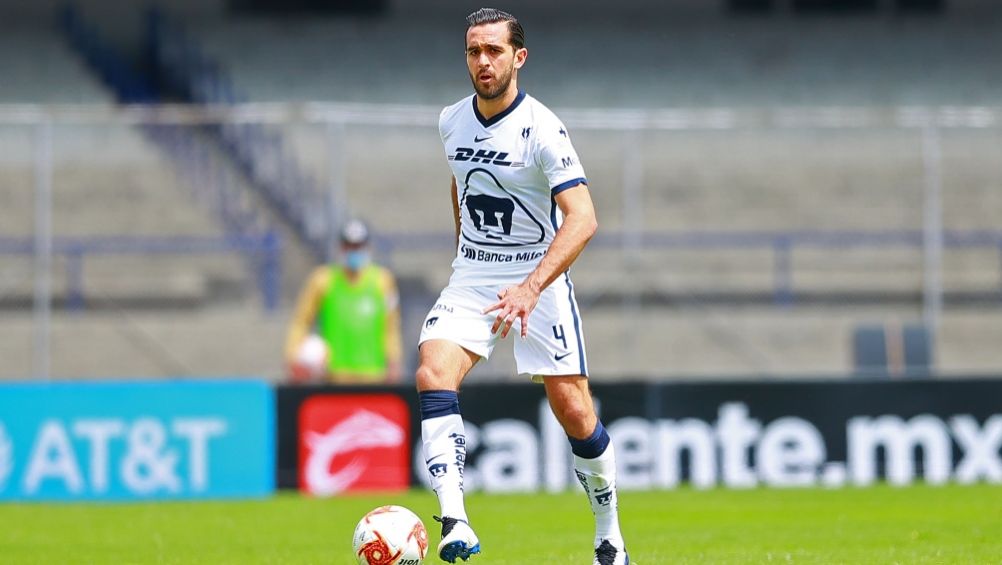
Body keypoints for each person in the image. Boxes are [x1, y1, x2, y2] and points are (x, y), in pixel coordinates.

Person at [416, 8, 628, 565]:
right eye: (473, 52)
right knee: (431, 371)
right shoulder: (450, 120)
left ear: (518, 57)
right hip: (475, 275)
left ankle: (609, 535)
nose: (482, 62)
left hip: (540, 277)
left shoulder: (543, 127)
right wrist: (466, 250)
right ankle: (455, 521)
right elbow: (461, 184)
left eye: (493, 51)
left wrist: (532, 287)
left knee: (575, 410)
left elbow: (582, 218)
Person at [284, 219, 403, 384]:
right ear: (341, 248)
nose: (354, 251)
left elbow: (391, 327)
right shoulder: (323, 280)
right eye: (349, 246)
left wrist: (394, 362)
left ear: (367, 247)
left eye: (358, 246)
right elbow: (301, 321)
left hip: (373, 377)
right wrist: (293, 357)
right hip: (334, 378)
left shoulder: (382, 281)